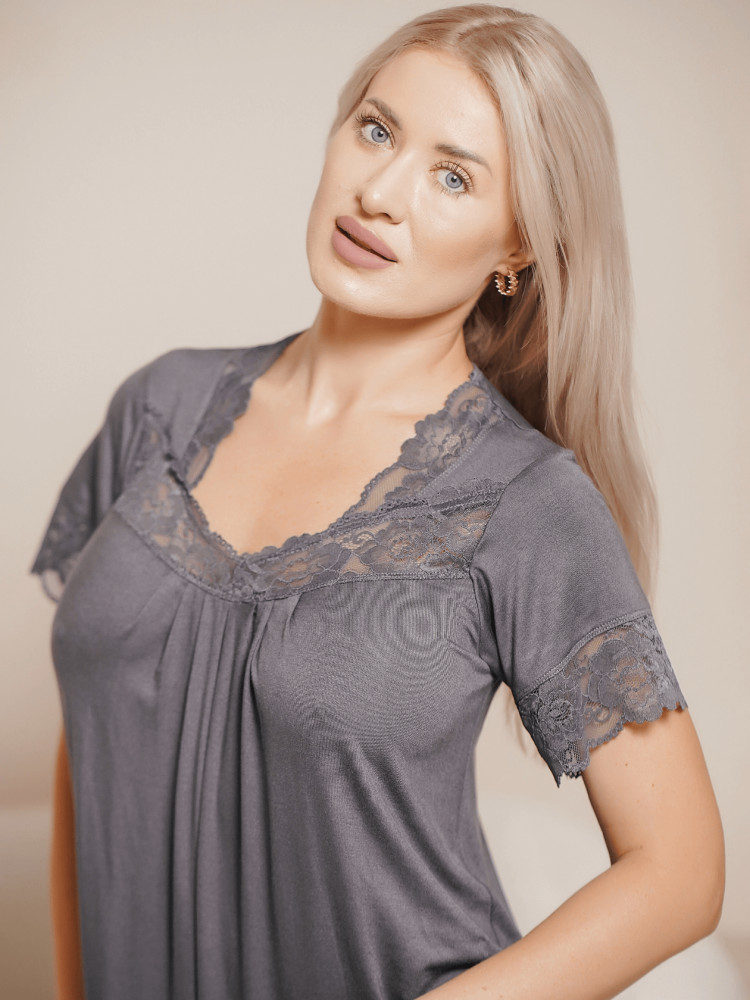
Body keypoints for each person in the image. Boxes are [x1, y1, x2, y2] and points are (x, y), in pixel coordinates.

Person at [32, 5, 724, 999]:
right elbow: (98, 736)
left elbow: (682, 873)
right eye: (376, 129)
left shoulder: (526, 504)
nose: (380, 192)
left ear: (517, 249)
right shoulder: (158, 409)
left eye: (454, 176)